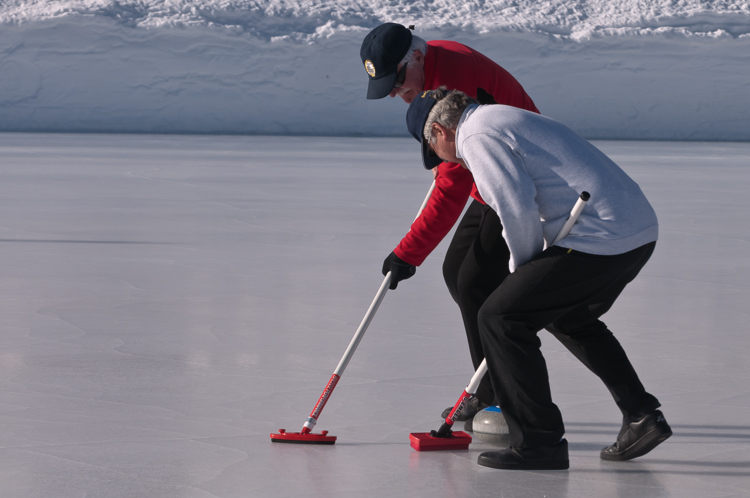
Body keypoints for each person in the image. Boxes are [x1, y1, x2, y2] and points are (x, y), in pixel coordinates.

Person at [404, 87, 672, 470]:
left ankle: (539, 441)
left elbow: (515, 208)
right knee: (569, 317)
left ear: (441, 132)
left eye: (433, 150)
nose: (445, 160)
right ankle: (641, 414)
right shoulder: (497, 118)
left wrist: (521, 282)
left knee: (501, 317)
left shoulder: (475, 136)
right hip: (634, 230)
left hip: (602, 235)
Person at [360, 23, 539, 421]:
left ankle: (503, 392)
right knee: (458, 271)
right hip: (490, 173)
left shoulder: (450, 87)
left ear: (417, 57)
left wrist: (408, 253)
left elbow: (451, 186)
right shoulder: (430, 72)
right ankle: (490, 384)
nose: (394, 92)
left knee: (475, 281)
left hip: (520, 175)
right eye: (387, 85)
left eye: (396, 80)